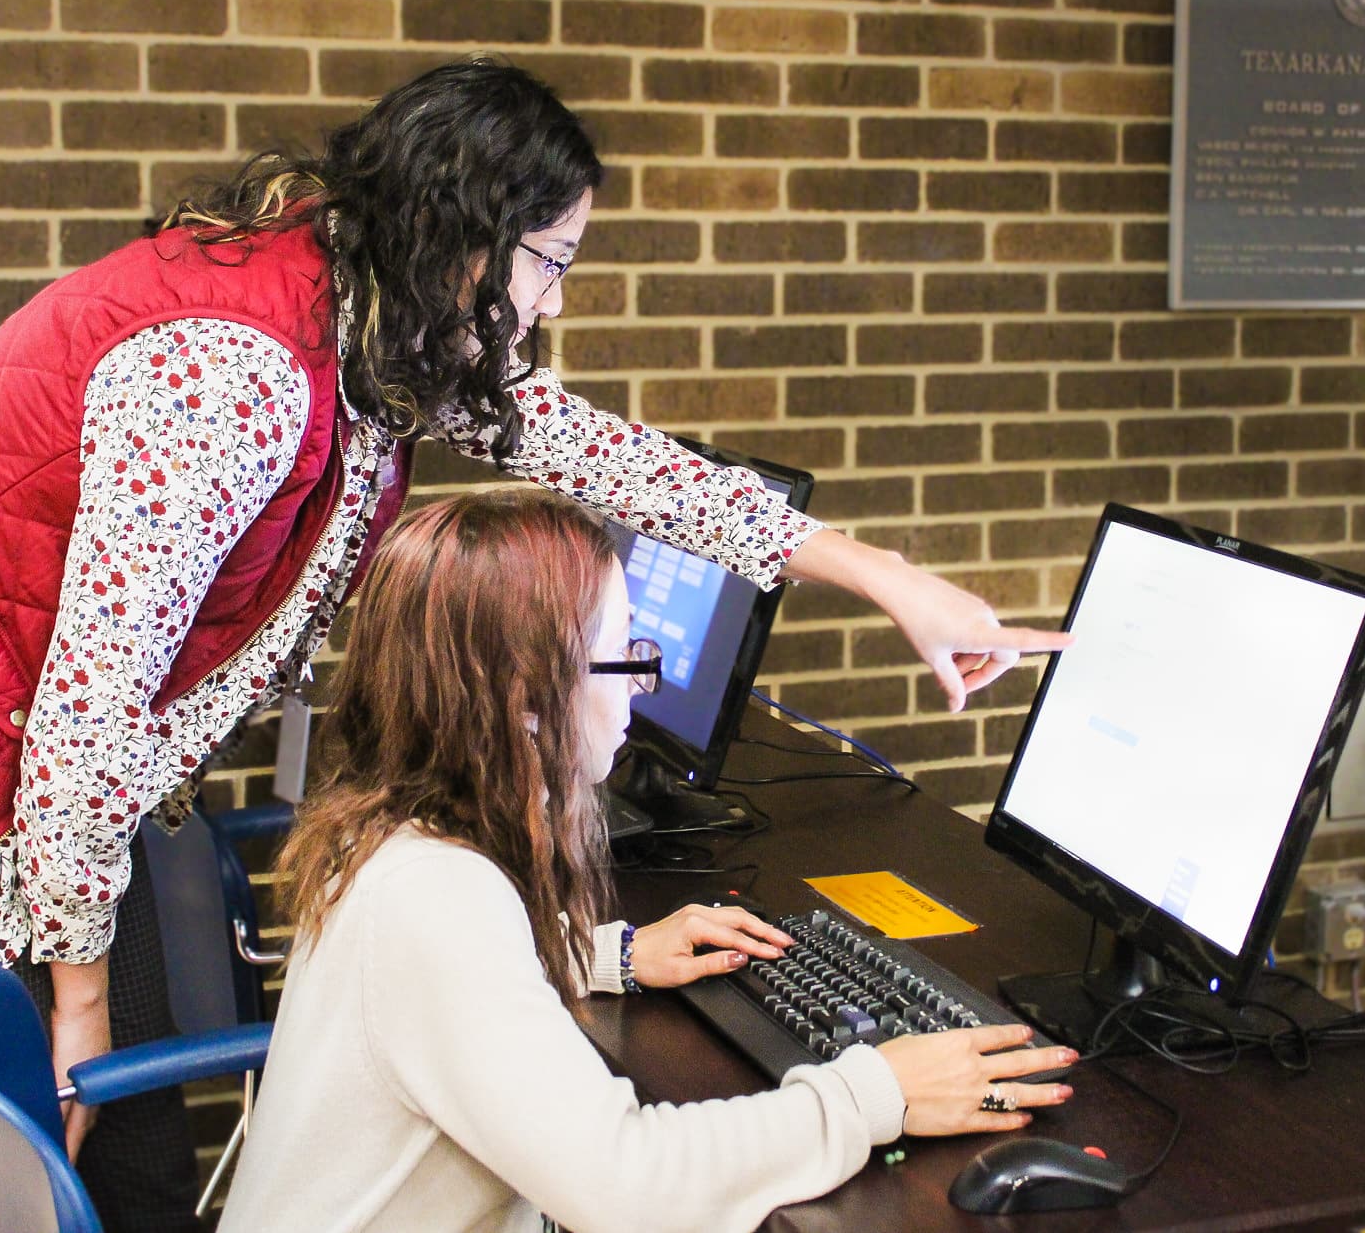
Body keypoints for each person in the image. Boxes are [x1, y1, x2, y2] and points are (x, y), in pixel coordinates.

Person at [0, 57, 1067, 1233]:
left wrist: (884, 576)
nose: (548, 308)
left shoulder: (373, 324)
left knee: (134, 1166)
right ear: (470, 240)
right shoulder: (237, 376)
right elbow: (90, 706)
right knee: (6, 1182)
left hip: (56, 764)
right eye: (551, 261)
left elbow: (612, 458)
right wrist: (78, 999)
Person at [216, 486, 1078, 1233]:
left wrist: (607, 952)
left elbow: (444, 997)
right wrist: (875, 1090)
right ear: (523, 695)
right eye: (627, 657)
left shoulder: (393, 830)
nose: (638, 687)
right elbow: (627, 1186)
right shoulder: (436, 898)